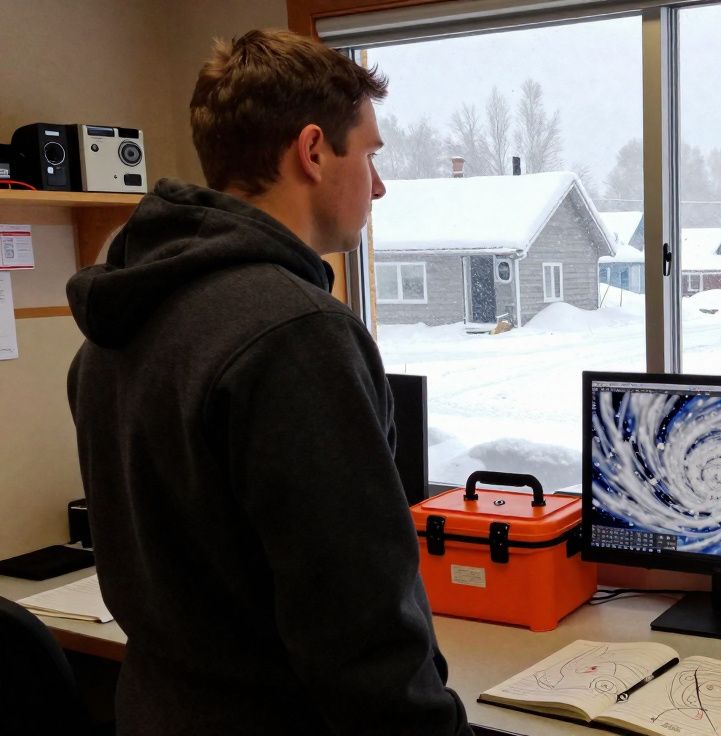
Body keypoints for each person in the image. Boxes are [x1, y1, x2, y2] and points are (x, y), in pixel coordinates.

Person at [66, 29, 471, 735]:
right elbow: (364, 639)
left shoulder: (118, 321)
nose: (378, 185)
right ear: (313, 151)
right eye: (369, 155)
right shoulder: (295, 335)